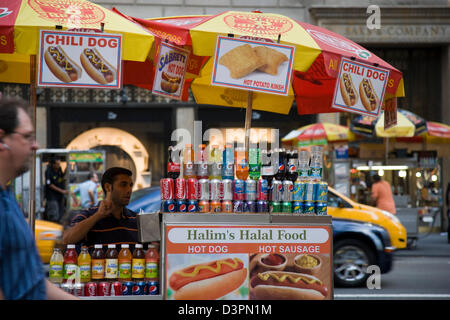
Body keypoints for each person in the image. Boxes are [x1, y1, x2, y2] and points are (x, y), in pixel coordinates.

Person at [0, 97, 76, 300]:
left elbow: (32, 281)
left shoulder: (7, 198)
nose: (36, 145)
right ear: (2, 140)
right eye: (27, 137)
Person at [63, 167, 138, 249]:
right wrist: (97, 216)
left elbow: (147, 249)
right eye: (123, 185)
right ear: (108, 187)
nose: (129, 190)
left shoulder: (135, 218)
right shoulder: (88, 215)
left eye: (130, 185)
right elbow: (67, 239)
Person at [45, 157, 68, 222]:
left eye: (59, 164)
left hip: (59, 196)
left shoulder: (59, 169)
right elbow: (50, 185)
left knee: (61, 211)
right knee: (54, 212)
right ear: (53, 164)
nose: (59, 165)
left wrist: (67, 169)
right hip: (52, 196)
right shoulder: (48, 171)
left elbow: (61, 177)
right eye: (57, 164)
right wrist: (62, 191)